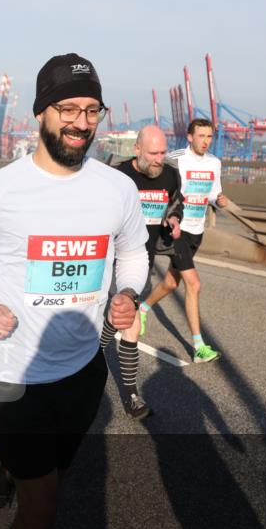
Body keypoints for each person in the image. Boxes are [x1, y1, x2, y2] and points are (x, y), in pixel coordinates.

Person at [0, 53, 148, 529]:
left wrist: (127, 292)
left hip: (83, 373)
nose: (81, 122)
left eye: (91, 110)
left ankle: (2, 473)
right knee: (44, 505)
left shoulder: (116, 189)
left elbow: (134, 254)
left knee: (48, 478)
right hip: (16, 375)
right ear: (40, 113)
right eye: (67, 109)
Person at [106, 125, 186, 420]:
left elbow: (176, 202)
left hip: (141, 259)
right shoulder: (116, 176)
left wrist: (174, 218)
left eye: (163, 152)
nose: (159, 159)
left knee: (126, 321)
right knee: (117, 318)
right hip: (107, 259)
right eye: (153, 153)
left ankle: (130, 394)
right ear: (137, 149)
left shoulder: (170, 174)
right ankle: (97, 361)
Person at [143, 118, 229, 363]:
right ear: (190, 137)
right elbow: (160, 182)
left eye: (209, 137)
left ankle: (142, 309)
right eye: (201, 136)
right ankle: (199, 346)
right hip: (176, 229)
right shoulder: (176, 158)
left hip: (196, 230)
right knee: (194, 284)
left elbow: (213, 193)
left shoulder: (214, 163)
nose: (206, 141)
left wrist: (219, 200)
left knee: (171, 283)